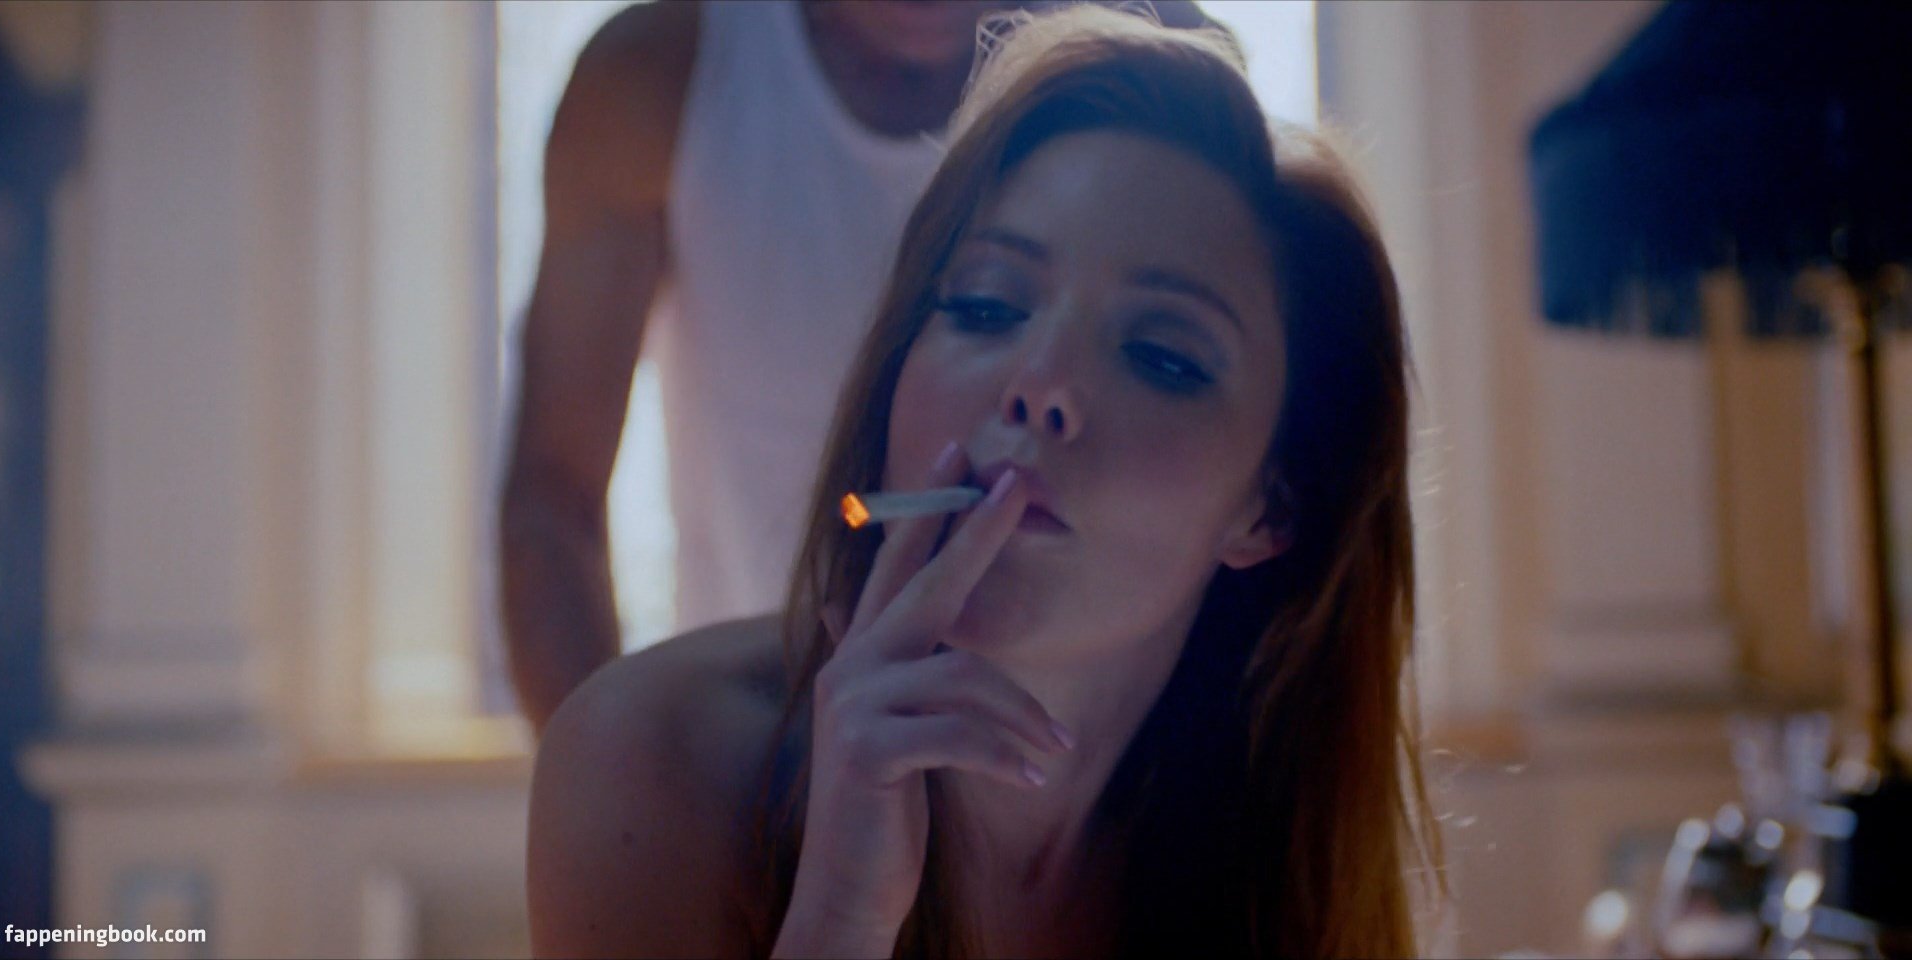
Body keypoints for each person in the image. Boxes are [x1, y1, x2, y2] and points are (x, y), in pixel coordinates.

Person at [528, 6, 1438, 958]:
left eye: (1162, 357)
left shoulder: (1283, 839)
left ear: (1274, 503)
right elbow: (545, 504)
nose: (1039, 384)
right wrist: (839, 919)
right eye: (987, 305)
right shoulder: (650, 769)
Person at [501, 0, 1215, 736]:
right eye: (981, 310)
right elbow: (552, 504)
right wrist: (622, 782)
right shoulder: (659, 77)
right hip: (762, 766)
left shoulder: (1161, 60)